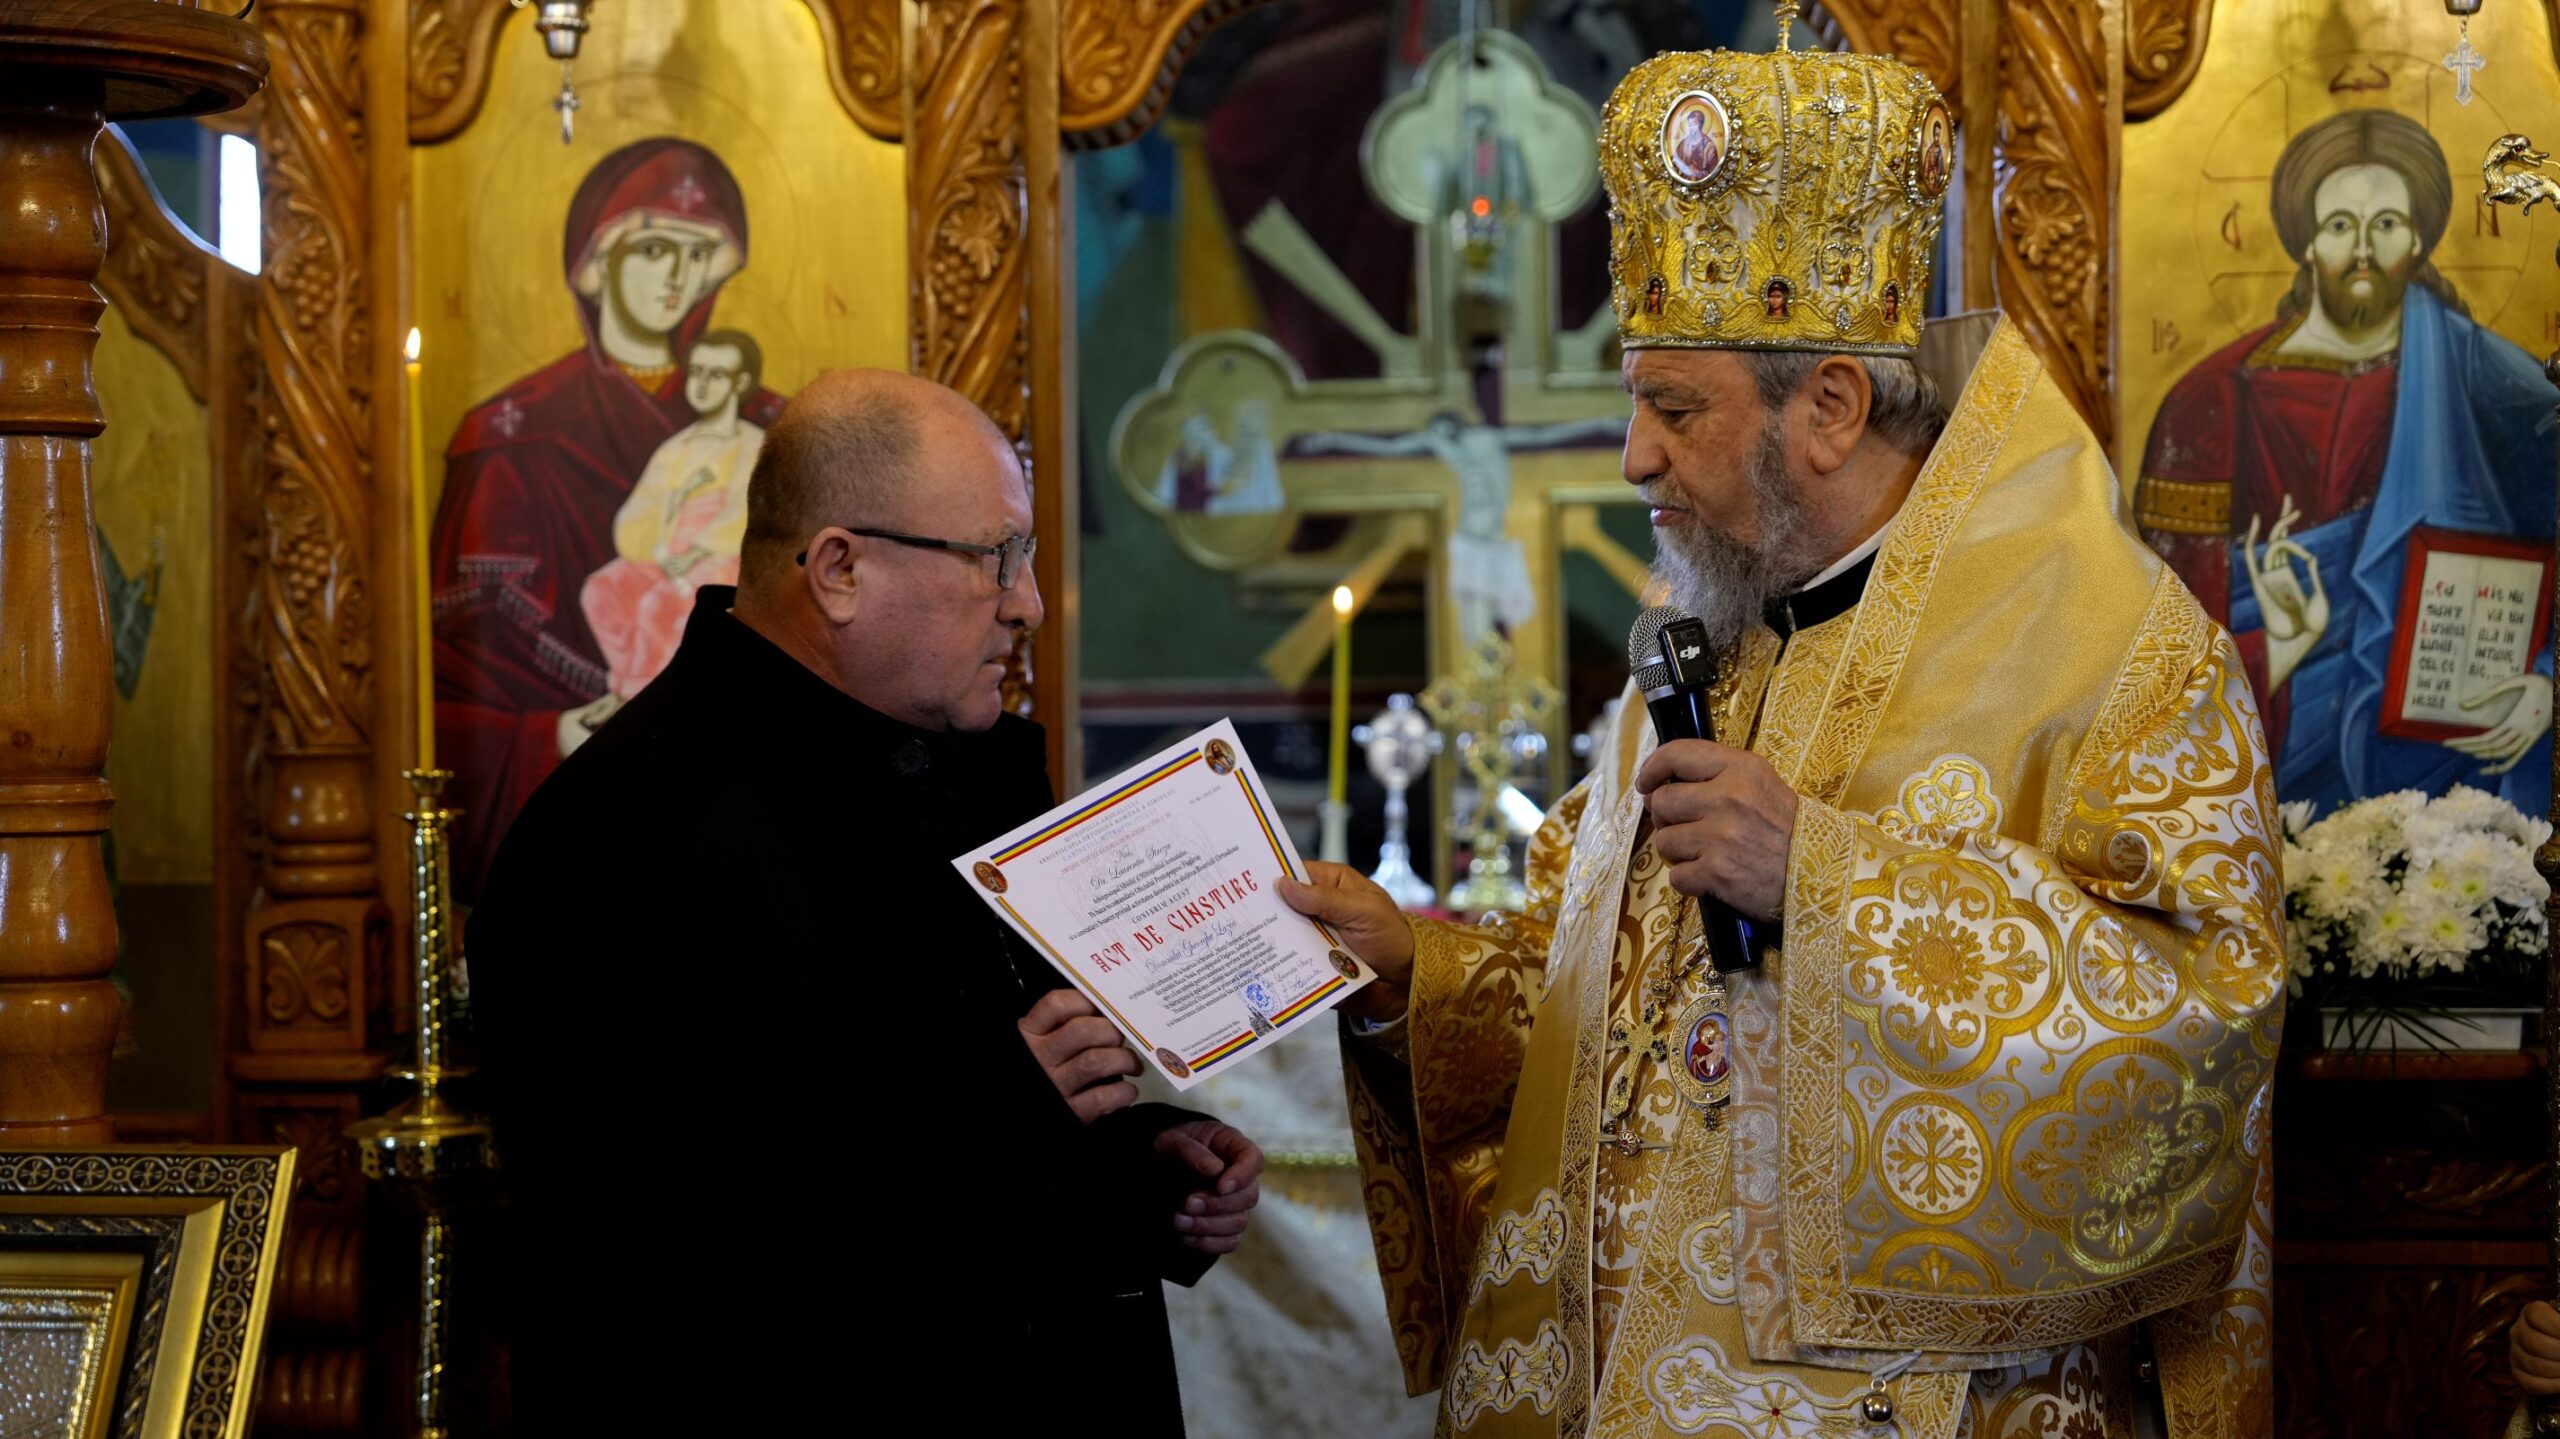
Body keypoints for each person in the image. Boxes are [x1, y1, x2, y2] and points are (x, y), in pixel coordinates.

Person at [1281, 41, 2285, 1439]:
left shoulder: (2109, 648)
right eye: (1635, 400)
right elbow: (1593, 1007)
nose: (1631, 454)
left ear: (1828, 405)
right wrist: (1414, 974)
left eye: (1673, 407)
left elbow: (2207, 1015)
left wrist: (1822, 877)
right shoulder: (1705, 636)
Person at [468, 369, 1264, 1434]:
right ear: (841, 568)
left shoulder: (962, 773)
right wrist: (1004, 1100)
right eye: (996, 556)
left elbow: (1009, 1115)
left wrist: (1142, 1165)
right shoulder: (611, 835)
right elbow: (648, 1243)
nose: (1027, 602)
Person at [2135, 108, 2560, 818]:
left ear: (2418, 238)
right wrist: (2280, 643)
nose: (2363, 250)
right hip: (2262, 778)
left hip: (2454, 775)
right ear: (2306, 242)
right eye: (2339, 226)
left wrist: (2549, 682)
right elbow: (2162, 652)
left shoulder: (2486, 377)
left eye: (2386, 224)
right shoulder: (2208, 400)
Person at [429, 138, 788, 900]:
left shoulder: (775, 428)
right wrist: (554, 732)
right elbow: (454, 668)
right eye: (655, 247)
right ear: (598, 259)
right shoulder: (510, 435)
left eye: (698, 254)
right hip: (575, 807)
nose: (677, 276)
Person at [576, 328, 766, 719]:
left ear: (740, 382)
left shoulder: (752, 444)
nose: (702, 384)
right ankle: (628, 686)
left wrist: (695, 553)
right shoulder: (677, 447)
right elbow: (641, 510)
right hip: (668, 557)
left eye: (716, 374)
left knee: (657, 605)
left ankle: (637, 705)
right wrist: (658, 543)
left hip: (723, 561)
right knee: (601, 591)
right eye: (697, 372)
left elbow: (743, 511)